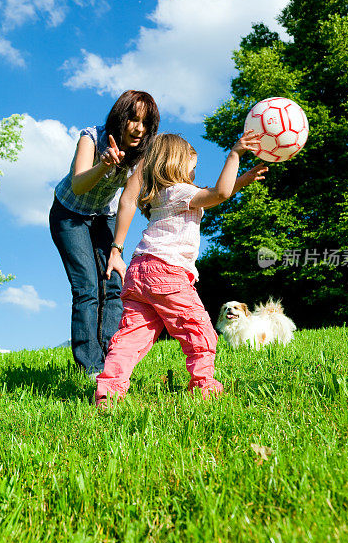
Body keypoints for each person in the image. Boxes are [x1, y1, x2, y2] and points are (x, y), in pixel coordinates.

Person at [95, 130, 268, 407]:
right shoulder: (181, 192)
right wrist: (234, 155)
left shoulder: (160, 196)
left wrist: (241, 182)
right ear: (177, 161)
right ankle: (204, 387)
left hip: (139, 272)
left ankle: (108, 392)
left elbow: (216, 194)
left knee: (131, 336)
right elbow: (219, 193)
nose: (195, 172)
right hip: (167, 272)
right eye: (193, 165)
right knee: (199, 330)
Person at [49, 90, 159, 377]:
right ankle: (90, 366)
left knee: (113, 283)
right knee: (87, 288)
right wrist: (104, 166)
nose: (139, 128)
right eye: (133, 119)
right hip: (69, 214)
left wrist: (117, 251)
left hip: (104, 216)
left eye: (146, 123)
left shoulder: (142, 154)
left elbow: (128, 200)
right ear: (120, 117)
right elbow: (78, 185)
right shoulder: (91, 137)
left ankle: (112, 359)